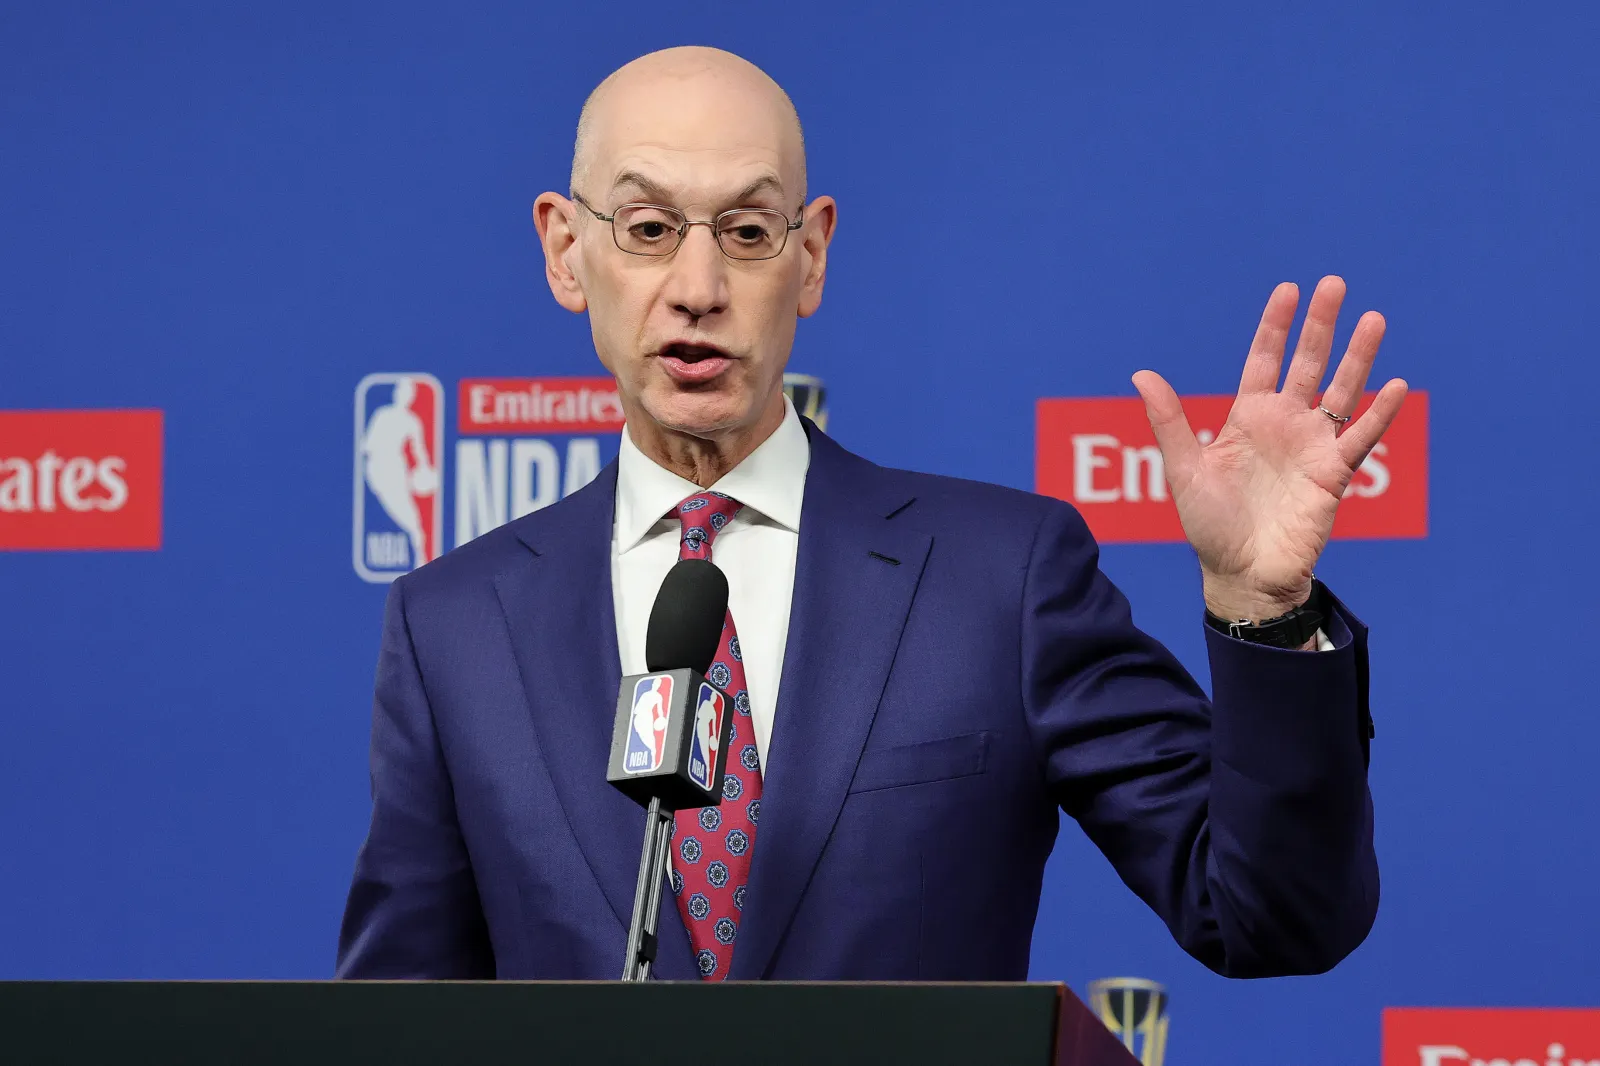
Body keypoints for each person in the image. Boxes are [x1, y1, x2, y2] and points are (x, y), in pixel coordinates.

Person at [336, 46, 1406, 982]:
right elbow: (397, 1018)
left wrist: (1264, 610)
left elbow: (1274, 917)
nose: (698, 285)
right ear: (566, 250)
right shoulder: (454, 626)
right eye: (650, 227)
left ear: (810, 256)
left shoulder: (1001, 580)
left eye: (748, 230)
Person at [360, 376, 435, 569]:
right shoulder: (382, 414)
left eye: (408, 393)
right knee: (409, 520)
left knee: (415, 523)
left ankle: (421, 562)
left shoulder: (412, 421)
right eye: (400, 391)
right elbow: (367, 446)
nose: (403, 395)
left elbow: (420, 452)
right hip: (379, 470)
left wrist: (424, 471)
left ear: (412, 397)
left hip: (397, 470)